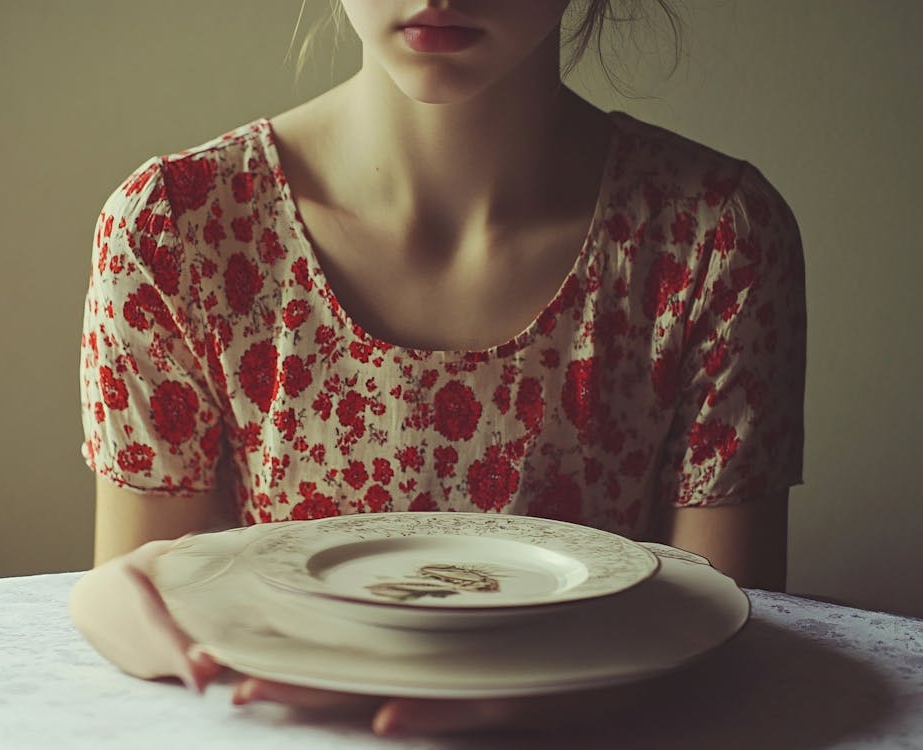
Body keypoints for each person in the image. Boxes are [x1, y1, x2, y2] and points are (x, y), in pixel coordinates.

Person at [70, 0, 805, 736]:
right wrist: (111, 601)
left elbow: (727, 626)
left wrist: (574, 700)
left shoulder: (716, 239)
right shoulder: (178, 230)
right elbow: (137, 592)